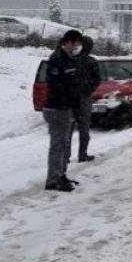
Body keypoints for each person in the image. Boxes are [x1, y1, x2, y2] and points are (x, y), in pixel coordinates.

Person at [44, 30, 84, 192]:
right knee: (58, 144)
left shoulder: (69, 59)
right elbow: (56, 84)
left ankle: (61, 175)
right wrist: (68, 95)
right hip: (56, 107)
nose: (77, 47)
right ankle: (53, 180)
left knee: (65, 144)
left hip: (66, 107)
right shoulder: (57, 59)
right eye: (75, 43)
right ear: (68, 42)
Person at [74, 35, 101, 162]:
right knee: (84, 128)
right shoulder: (92, 61)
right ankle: (82, 154)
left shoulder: (72, 59)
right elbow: (97, 80)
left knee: (69, 129)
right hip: (84, 98)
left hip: (71, 98)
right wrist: (88, 90)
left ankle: (66, 156)